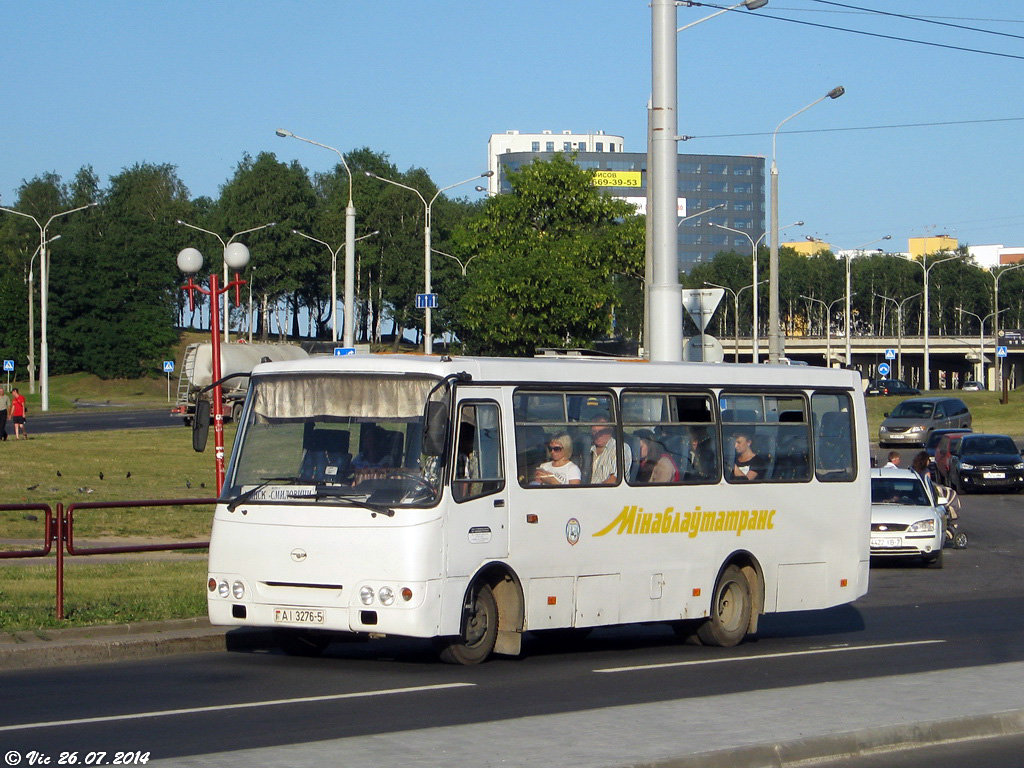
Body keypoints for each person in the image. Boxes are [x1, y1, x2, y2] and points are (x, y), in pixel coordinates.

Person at [588, 419, 631, 485]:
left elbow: (615, 479)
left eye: (601, 431)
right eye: (594, 432)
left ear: (610, 430)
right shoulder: (588, 449)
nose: (598, 435)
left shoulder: (620, 449)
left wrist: (593, 492)